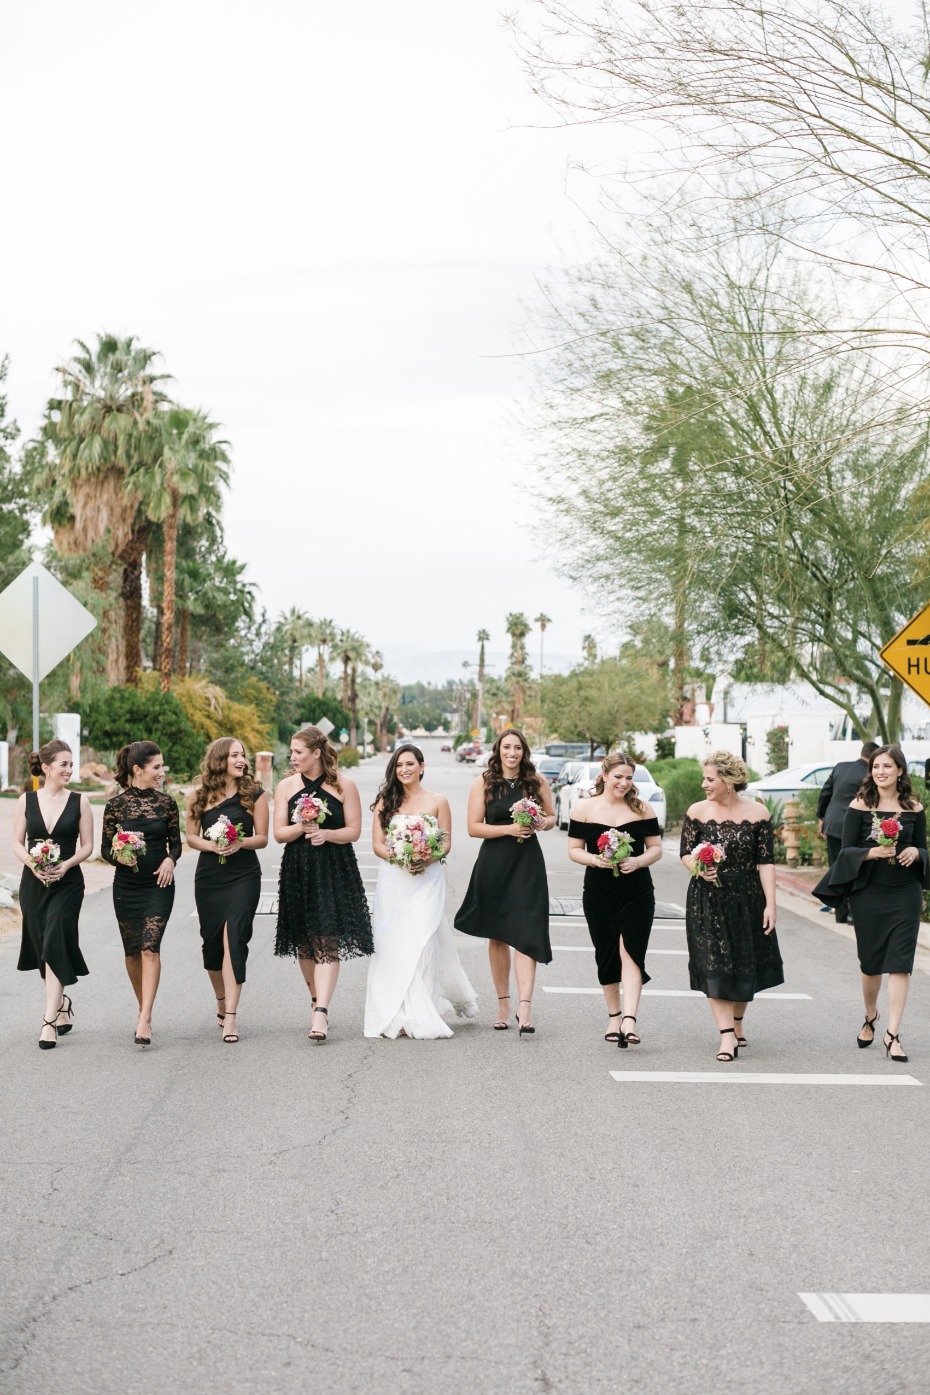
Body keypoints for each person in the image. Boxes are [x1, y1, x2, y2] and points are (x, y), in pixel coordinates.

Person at [815, 744, 927, 1062]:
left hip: (905, 892)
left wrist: (917, 853)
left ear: (900, 771)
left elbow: (923, 848)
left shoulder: (915, 808)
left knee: (901, 963)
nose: (881, 771)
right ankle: (870, 1016)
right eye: (877, 766)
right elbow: (846, 850)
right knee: (871, 964)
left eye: (888, 766)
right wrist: (871, 852)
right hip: (868, 892)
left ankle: (893, 1034)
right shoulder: (860, 805)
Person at [364, 745, 478, 1038]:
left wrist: (423, 859)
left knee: (425, 942)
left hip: (427, 880)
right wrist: (400, 858)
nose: (404, 769)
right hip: (394, 881)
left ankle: (422, 1010)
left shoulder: (438, 801)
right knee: (393, 944)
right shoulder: (385, 802)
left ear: (422, 767)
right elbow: (378, 844)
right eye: (399, 764)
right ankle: (395, 1012)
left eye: (410, 764)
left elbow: (446, 843)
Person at [680, 750, 783, 1063]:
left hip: (747, 896)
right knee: (715, 962)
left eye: (710, 779)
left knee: (742, 963)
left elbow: (765, 862)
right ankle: (726, 1036)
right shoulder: (697, 811)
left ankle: (737, 1023)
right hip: (706, 897)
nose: (704, 784)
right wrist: (698, 868)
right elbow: (685, 853)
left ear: (728, 781)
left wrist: (771, 904)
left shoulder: (758, 814)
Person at [273, 726, 373, 1042]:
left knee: (326, 937)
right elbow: (278, 834)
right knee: (304, 940)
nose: (293, 757)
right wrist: (302, 826)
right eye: (291, 752)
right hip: (298, 867)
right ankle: (316, 999)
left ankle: (321, 1013)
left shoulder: (344, 785)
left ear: (316, 753)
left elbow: (354, 830)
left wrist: (327, 833)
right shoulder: (286, 786)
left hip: (333, 866)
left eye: (298, 752)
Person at [454, 728, 554, 1035]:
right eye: (507, 747)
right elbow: (473, 827)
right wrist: (510, 829)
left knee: (526, 931)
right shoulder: (483, 782)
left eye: (518, 748)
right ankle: (503, 1004)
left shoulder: (536, 782)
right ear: (498, 750)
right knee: (497, 935)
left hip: (527, 863)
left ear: (524, 752)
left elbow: (551, 817)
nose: (512, 752)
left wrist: (540, 822)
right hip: (495, 862)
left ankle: (525, 1008)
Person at [568, 752, 662, 1047]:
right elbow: (574, 850)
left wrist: (639, 862)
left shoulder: (642, 808)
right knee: (606, 952)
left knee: (632, 951)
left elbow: (656, 848)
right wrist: (596, 861)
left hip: (637, 891)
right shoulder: (584, 808)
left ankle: (630, 1020)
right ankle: (614, 1016)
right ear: (605, 775)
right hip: (599, 891)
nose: (623, 783)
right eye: (618, 776)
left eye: (629, 778)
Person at [186, 737, 268, 1044]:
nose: (242, 760)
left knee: (235, 938)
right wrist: (214, 844)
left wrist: (238, 843)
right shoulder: (198, 795)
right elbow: (192, 837)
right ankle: (221, 1001)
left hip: (244, 875)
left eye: (243, 755)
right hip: (209, 877)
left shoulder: (254, 795)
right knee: (211, 947)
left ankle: (231, 1016)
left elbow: (262, 838)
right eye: (235, 755)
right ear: (220, 759)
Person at [13, 740, 94, 1048]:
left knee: (55, 937)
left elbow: (87, 846)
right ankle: (61, 1005)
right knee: (41, 945)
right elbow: (17, 843)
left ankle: (48, 1020)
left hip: (68, 883)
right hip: (33, 884)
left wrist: (67, 865)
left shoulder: (80, 801)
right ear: (46, 768)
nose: (69, 770)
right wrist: (33, 864)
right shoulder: (26, 800)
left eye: (71, 764)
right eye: (64, 764)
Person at [101, 741, 181, 1048]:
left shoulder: (167, 804)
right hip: (126, 886)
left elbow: (176, 843)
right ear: (138, 770)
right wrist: (119, 856)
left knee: (150, 948)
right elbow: (106, 848)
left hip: (158, 886)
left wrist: (170, 860)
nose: (161, 772)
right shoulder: (115, 806)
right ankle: (142, 1007)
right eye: (156, 767)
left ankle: (145, 1017)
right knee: (132, 952)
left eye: (162, 766)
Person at [816, 742, 880, 921]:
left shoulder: (840, 767)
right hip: (856, 827)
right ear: (873, 756)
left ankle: (841, 913)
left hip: (833, 823)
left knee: (836, 867)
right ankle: (853, 913)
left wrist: (822, 818)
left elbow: (825, 793)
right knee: (854, 868)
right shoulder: (871, 774)